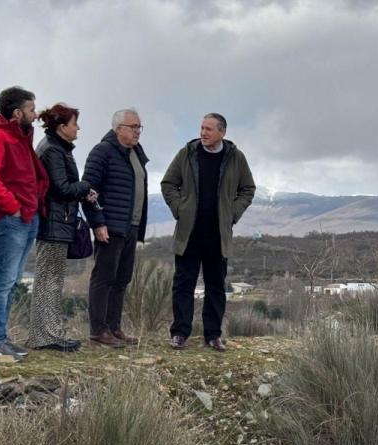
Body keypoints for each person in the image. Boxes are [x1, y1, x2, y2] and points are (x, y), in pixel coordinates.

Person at [161, 113, 255, 351]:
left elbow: (248, 189)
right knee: (184, 284)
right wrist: (179, 209)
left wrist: (232, 214)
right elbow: (168, 183)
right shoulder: (188, 153)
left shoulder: (235, 157)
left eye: (209, 129)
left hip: (218, 234)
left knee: (215, 285)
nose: (203, 133)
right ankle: (180, 333)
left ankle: (213, 335)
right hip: (189, 232)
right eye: (202, 128)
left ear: (222, 132)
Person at [0, 86, 48, 361]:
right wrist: (12, 207)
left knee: (13, 280)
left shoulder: (19, 136)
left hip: (27, 215)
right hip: (11, 218)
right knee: (3, 281)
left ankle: (1, 339)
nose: (35, 114)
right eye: (31, 109)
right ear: (18, 113)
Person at [26, 103, 97, 351]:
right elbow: (62, 188)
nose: (78, 128)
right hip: (54, 222)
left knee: (51, 278)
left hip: (58, 221)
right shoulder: (54, 151)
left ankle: (48, 333)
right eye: (75, 123)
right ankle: (46, 336)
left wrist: (81, 191)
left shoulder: (57, 148)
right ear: (62, 127)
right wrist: (86, 185)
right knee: (49, 279)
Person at [82, 108, 149, 348]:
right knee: (104, 278)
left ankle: (114, 327)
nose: (138, 132)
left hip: (130, 227)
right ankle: (99, 330)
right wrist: (98, 222)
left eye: (140, 127)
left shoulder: (135, 154)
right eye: (134, 127)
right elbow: (88, 191)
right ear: (118, 128)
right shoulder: (103, 152)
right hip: (110, 226)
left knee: (122, 279)